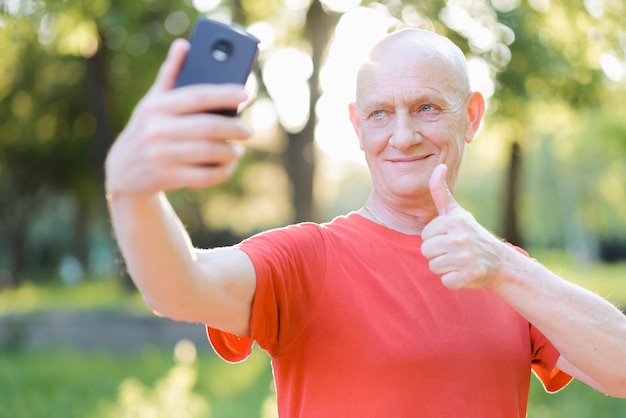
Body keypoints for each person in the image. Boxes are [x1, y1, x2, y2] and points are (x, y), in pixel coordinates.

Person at [105, 28, 626, 417]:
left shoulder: (505, 272)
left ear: (470, 115)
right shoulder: (308, 258)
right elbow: (179, 286)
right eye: (380, 113)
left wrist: (505, 270)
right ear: (356, 125)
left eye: (426, 107)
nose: (402, 136)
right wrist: (132, 190)